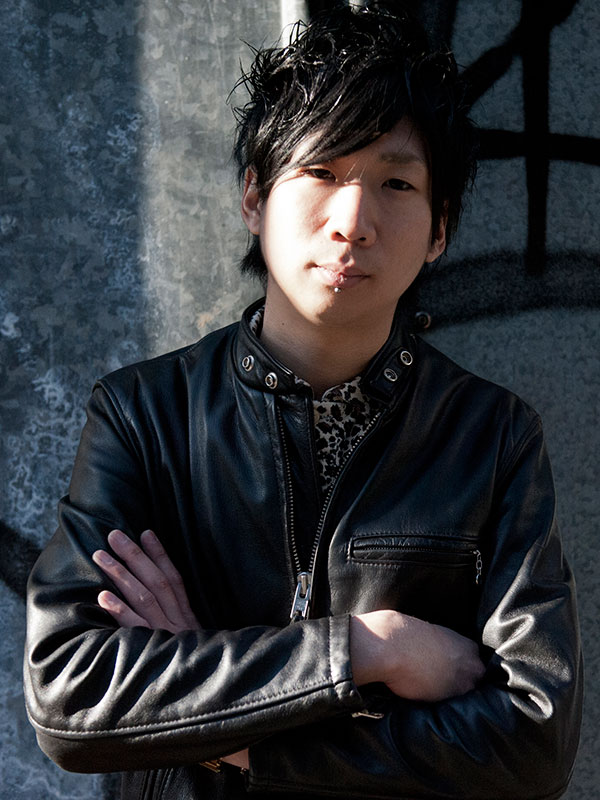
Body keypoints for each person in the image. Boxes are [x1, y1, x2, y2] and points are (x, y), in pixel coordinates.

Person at [24, 3, 582, 799]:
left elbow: (533, 744)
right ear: (255, 196)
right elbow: (72, 697)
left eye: (396, 182)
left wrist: (226, 730)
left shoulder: (491, 438)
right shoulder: (144, 417)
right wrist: (366, 649)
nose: (352, 221)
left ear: (439, 230)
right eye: (321, 171)